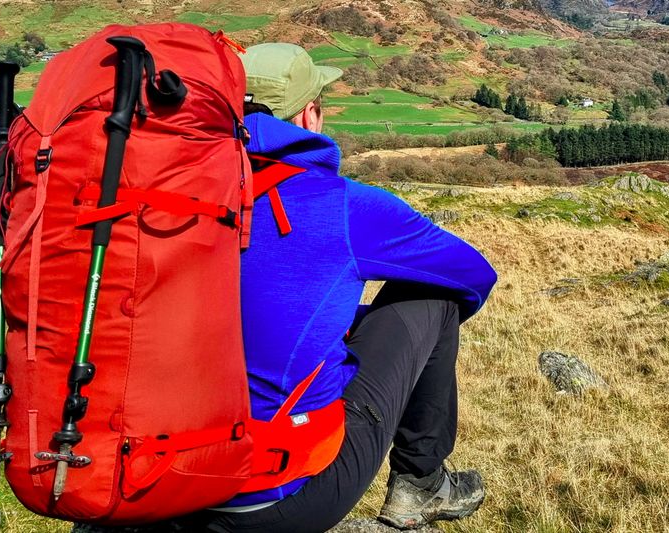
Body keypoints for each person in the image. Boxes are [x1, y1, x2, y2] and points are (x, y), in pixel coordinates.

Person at [187, 43, 498, 532]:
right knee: (434, 299)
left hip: (154, 477)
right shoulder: (342, 205)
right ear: (310, 115)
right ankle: (421, 481)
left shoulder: (166, 198)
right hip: (276, 497)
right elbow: (472, 274)